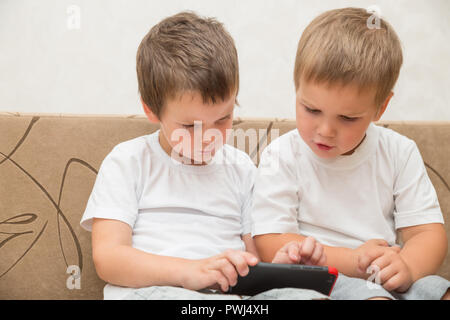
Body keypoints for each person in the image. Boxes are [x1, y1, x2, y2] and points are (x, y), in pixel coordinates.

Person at [80, 11, 327, 300]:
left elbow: (253, 261)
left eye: (223, 119)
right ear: (151, 110)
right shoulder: (128, 162)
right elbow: (109, 259)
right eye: (189, 126)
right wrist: (189, 272)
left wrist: (283, 269)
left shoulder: (242, 169)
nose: (208, 137)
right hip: (155, 292)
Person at [250, 7, 450, 300]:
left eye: (347, 118)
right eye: (312, 109)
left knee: (438, 290)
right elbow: (270, 241)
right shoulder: (281, 155)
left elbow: (426, 234)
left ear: (380, 108)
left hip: (385, 276)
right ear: (296, 89)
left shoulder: (399, 152)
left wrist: (406, 265)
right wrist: (354, 261)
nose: (326, 130)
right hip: (319, 279)